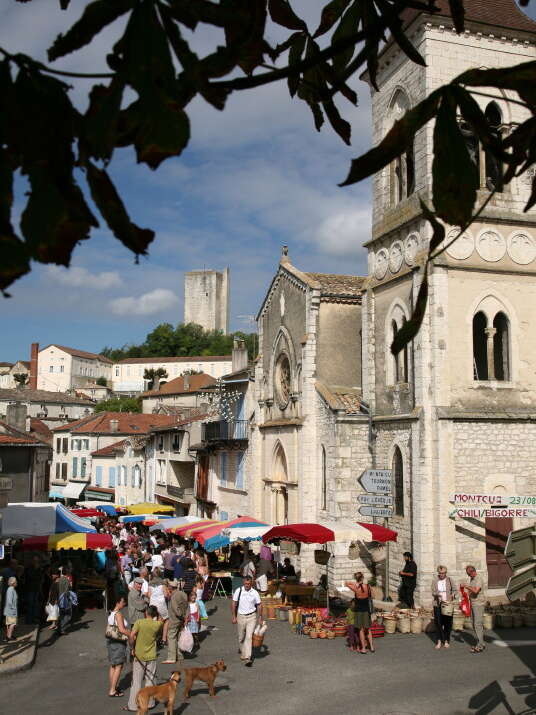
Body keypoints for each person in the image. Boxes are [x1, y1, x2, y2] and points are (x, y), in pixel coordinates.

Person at [127, 605, 163, 712]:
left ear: (146, 613)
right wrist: (158, 613)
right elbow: (162, 619)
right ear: (154, 614)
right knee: (150, 679)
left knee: (136, 681)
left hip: (139, 655)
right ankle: (150, 703)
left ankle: (133, 705)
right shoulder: (157, 624)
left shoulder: (139, 622)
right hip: (151, 654)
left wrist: (132, 647)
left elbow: (132, 636)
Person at [231, 575, 262, 666]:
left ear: (251, 583)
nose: (247, 585)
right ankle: (243, 652)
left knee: (249, 637)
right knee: (241, 637)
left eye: (249, 584)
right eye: (245, 584)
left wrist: (260, 617)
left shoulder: (255, 593)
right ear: (243, 583)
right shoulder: (239, 591)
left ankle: (248, 658)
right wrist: (234, 616)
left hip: (252, 616)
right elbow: (234, 603)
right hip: (241, 616)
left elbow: (259, 605)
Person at [106, 594, 131, 698]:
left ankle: (113, 686)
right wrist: (131, 633)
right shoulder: (118, 614)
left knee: (113, 665)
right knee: (119, 666)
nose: (124, 603)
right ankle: (112, 690)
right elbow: (121, 629)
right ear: (118, 602)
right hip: (118, 642)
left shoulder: (111, 613)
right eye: (123, 602)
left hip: (110, 640)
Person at [345, 572, 374, 654]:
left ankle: (364, 648)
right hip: (366, 610)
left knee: (360, 629)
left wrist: (356, 583)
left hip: (358, 611)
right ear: (363, 578)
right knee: (368, 629)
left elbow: (346, 583)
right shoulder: (368, 586)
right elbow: (372, 595)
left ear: (356, 579)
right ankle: (371, 647)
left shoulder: (355, 588)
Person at [461, 564, 486, 653]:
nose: (468, 575)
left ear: (472, 571)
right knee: (474, 623)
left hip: (478, 604)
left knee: (477, 624)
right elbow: (472, 591)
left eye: (468, 573)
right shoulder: (472, 579)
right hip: (473, 603)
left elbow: (476, 590)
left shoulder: (478, 578)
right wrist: (465, 595)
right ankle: (481, 643)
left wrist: (466, 586)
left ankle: (480, 645)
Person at [431, 565, 457, 649]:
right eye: (440, 573)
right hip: (438, 604)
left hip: (447, 604)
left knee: (447, 623)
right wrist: (436, 594)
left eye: (443, 573)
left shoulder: (449, 580)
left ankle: (446, 640)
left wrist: (453, 594)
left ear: (446, 573)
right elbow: (433, 591)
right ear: (438, 573)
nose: (442, 575)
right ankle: (439, 640)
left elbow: (455, 590)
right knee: (438, 623)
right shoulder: (435, 580)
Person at [163, 579, 188, 664]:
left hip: (174, 619)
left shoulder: (174, 596)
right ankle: (179, 655)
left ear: (171, 587)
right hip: (181, 619)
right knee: (178, 638)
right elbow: (187, 605)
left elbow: (176, 609)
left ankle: (171, 657)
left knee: (171, 637)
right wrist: (185, 616)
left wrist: (180, 615)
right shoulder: (183, 594)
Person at [23, 556, 43, 625]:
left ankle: (34, 619)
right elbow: (31, 577)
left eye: (37, 561)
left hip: (36, 588)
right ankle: (29, 620)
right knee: (30, 604)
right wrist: (36, 569)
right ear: (32, 561)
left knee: (35, 604)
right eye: (35, 561)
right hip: (30, 589)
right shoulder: (29, 568)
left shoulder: (39, 569)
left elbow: (40, 577)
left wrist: (38, 570)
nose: (36, 562)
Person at [57, 567, 73, 635]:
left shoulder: (59, 579)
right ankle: (62, 629)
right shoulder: (66, 580)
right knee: (68, 614)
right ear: (67, 573)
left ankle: (59, 628)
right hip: (65, 599)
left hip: (59, 598)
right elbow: (66, 591)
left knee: (61, 614)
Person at [4, 576, 18, 641]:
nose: (17, 582)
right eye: (16, 581)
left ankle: (8, 636)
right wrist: (13, 609)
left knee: (9, 623)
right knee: (13, 623)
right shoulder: (11, 589)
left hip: (10, 610)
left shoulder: (11, 589)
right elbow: (10, 601)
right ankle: (9, 636)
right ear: (13, 582)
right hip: (11, 610)